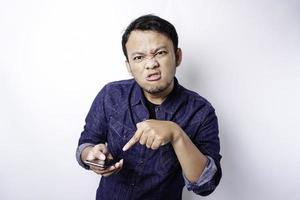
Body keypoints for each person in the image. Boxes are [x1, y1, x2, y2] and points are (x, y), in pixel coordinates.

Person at [76, 14, 222, 200]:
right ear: (129, 66)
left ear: (177, 56)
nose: (151, 64)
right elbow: (86, 143)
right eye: (139, 57)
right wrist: (92, 156)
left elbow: (206, 184)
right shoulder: (111, 95)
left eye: (160, 53)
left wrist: (176, 134)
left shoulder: (201, 112)